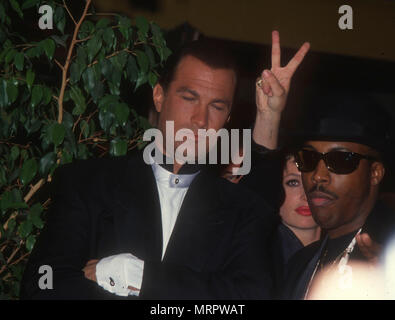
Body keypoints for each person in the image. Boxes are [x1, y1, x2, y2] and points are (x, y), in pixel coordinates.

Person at [20, 32, 309, 299]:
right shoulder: (88, 183)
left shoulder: (239, 209)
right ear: (159, 96)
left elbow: (247, 298)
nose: (200, 119)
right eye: (189, 98)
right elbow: (43, 288)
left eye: (217, 106)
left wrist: (142, 278)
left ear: (228, 117)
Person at [280, 91, 395, 300]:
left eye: (341, 160)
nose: (318, 176)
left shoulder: (389, 253)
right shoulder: (300, 264)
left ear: (375, 173)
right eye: (308, 158)